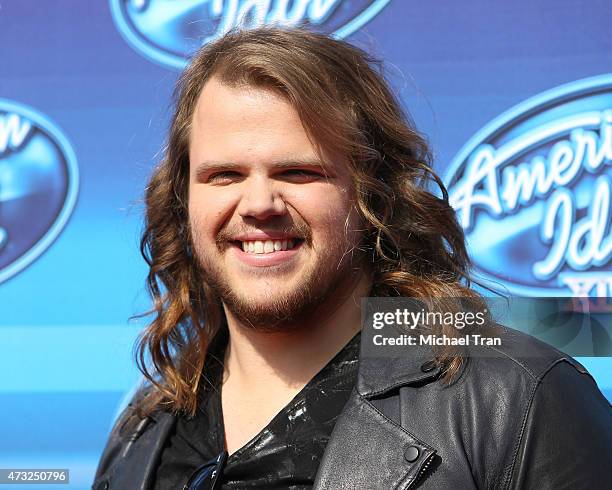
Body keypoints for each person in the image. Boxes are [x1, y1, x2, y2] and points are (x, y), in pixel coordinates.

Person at [93, 27, 612, 489]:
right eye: (223, 175)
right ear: (184, 200)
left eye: (298, 172)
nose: (257, 205)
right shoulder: (145, 430)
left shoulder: (519, 399)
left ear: (374, 195)